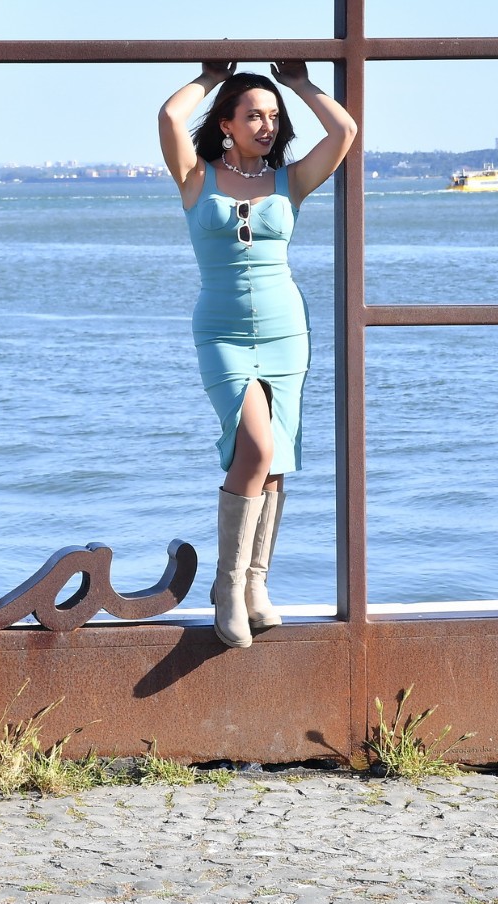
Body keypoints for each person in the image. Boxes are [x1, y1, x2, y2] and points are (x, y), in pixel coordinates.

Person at [158, 61, 357, 648]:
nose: (266, 126)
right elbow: (169, 116)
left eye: (273, 117)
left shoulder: (290, 182)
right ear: (226, 123)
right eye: (253, 116)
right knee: (256, 447)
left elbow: (344, 131)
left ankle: (254, 586)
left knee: (275, 460)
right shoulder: (196, 177)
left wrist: (299, 84)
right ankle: (227, 587)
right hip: (220, 333)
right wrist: (210, 78)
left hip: (285, 332)